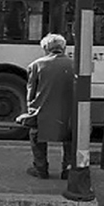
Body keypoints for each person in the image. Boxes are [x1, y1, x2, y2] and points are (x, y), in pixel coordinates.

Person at [19, 33, 73, 180]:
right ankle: (68, 169)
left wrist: (31, 111)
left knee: (35, 134)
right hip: (69, 116)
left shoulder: (36, 65)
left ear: (45, 48)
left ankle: (41, 168)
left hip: (43, 115)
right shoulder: (75, 64)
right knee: (71, 137)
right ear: (64, 48)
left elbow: (31, 93)